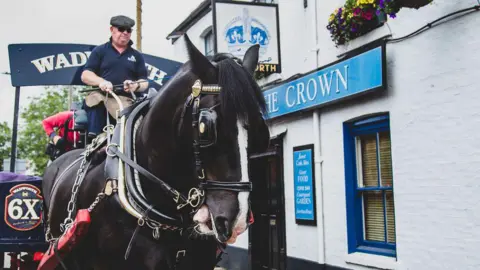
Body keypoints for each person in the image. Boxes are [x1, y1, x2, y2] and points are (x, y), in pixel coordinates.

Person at [81, 15, 149, 136]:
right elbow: (86, 75)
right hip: (102, 97)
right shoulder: (99, 51)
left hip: (127, 101)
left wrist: (135, 86)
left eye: (128, 30)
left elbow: (145, 82)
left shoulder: (137, 56)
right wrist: (101, 82)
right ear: (112, 30)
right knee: (94, 100)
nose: (125, 33)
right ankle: (95, 141)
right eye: (121, 29)